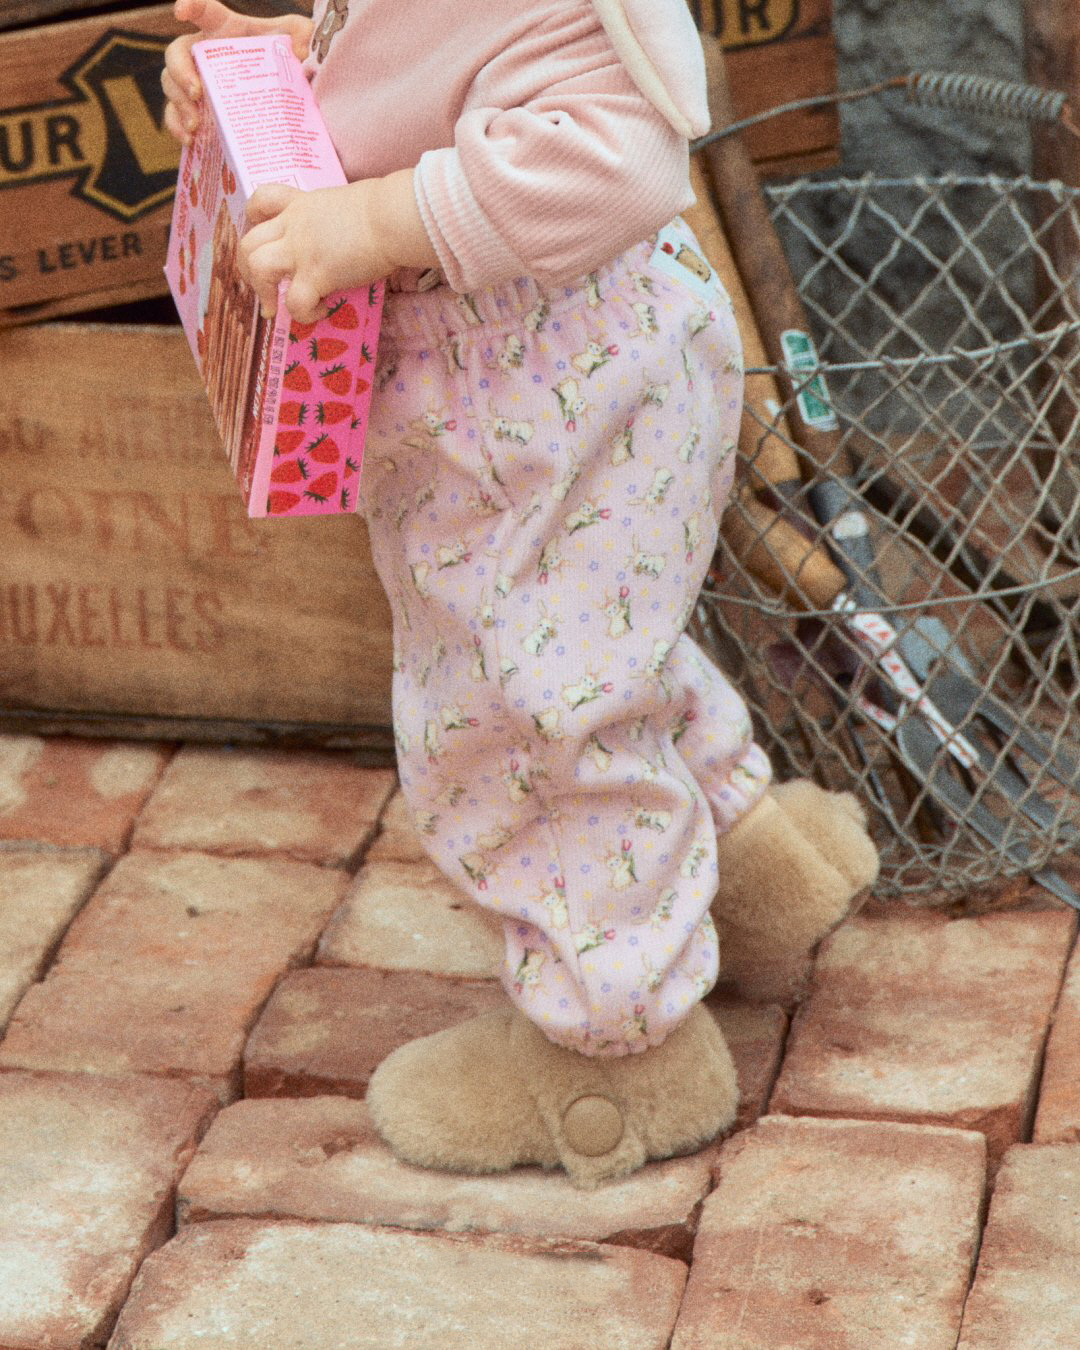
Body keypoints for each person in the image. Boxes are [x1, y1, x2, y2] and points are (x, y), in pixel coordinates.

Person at [163, 0, 877, 1188]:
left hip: (534, 392)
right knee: (592, 636)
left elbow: (614, 159)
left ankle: (617, 1047)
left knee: (524, 702)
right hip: (563, 362)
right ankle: (750, 871)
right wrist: (294, 61)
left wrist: (375, 219)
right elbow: (434, 49)